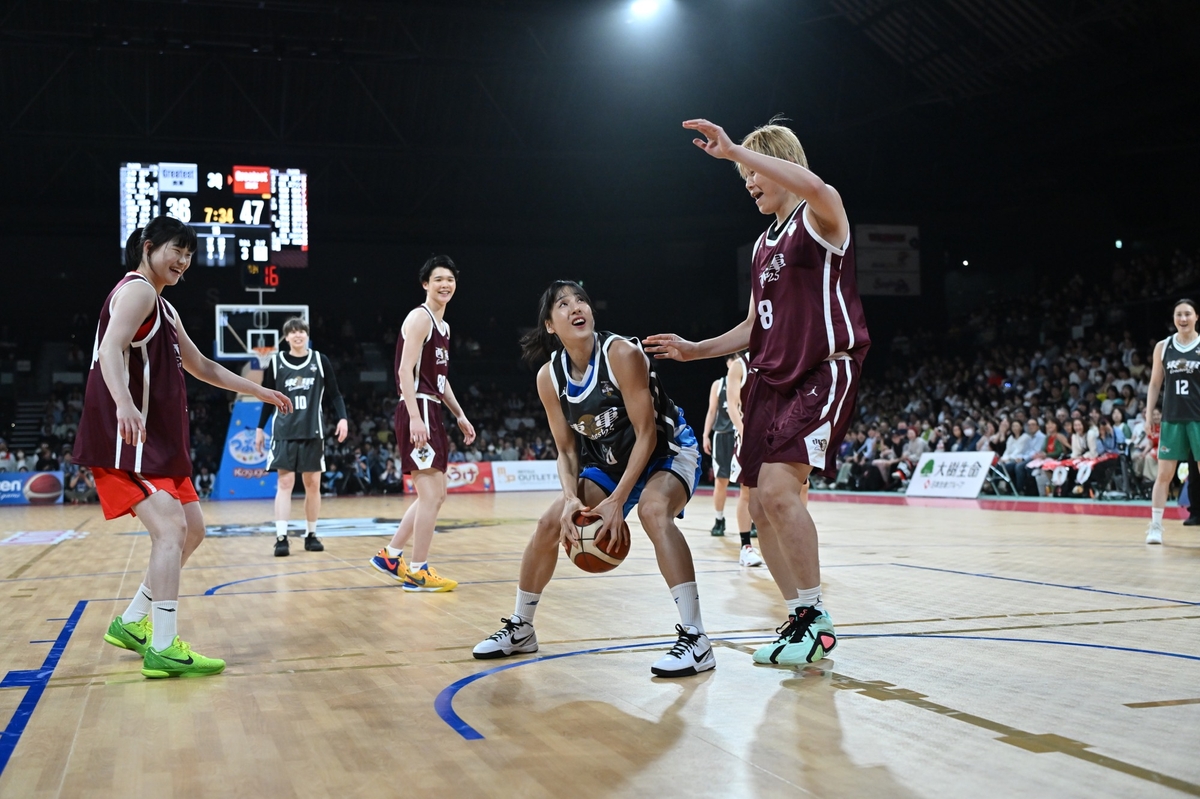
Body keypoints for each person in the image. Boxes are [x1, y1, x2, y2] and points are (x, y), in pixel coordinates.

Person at [645, 116, 870, 666]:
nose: (747, 183)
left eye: (753, 172)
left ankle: (817, 616)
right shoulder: (760, 246)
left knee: (776, 492)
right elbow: (754, 326)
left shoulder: (822, 218)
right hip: (768, 380)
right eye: (743, 175)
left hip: (820, 371)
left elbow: (815, 186)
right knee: (759, 508)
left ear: (779, 164)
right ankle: (799, 617)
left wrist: (734, 151)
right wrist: (697, 350)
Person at [75, 216, 291, 678]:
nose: (184, 261)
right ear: (149, 246)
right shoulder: (137, 291)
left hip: (158, 443)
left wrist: (260, 391)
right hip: (129, 440)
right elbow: (110, 350)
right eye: (177, 250)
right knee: (171, 530)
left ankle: (132, 623)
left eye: (190, 255)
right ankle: (165, 646)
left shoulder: (164, 309)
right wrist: (124, 405)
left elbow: (206, 367)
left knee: (192, 528)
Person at [473, 281, 712, 678]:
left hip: (667, 449)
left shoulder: (621, 353)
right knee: (550, 522)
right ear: (550, 325)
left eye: (580, 300)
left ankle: (696, 637)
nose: (575, 307)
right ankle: (522, 627)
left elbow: (648, 432)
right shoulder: (550, 378)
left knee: (654, 511)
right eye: (562, 304)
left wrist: (618, 499)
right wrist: (570, 498)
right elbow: (566, 451)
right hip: (612, 459)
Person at [369, 255, 476, 591]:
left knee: (436, 494)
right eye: (438, 279)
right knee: (430, 494)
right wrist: (415, 417)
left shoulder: (444, 327)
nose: (445, 284)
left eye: (451, 279)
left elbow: (441, 382)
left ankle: (391, 555)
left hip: (433, 408)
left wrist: (459, 414)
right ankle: (417, 570)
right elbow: (404, 370)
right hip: (418, 408)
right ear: (425, 284)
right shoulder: (420, 317)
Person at [255, 316, 349, 556]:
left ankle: (311, 534)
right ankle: (281, 537)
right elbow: (268, 399)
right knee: (285, 483)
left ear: (307, 335)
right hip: (284, 431)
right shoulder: (276, 362)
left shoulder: (320, 360)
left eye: (302, 331)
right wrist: (259, 429)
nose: (298, 335)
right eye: (293, 332)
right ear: (286, 337)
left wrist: (343, 418)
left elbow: (336, 394)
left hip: (312, 431)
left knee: (312, 484)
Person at [1145, 299, 1200, 544]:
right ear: (1174, 318)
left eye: (1188, 314)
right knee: (1164, 474)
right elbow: (1155, 383)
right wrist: (1149, 413)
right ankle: (1155, 527)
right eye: (1179, 314)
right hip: (1172, 419)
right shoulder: (1163, 346)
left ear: (1196, 317)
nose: (1183, 318)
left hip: (1198, 419)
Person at [701, 351, 762, 566]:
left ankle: (751, 524)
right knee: (722, 480)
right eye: (732, 359)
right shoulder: (719, 384)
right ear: (728, 362)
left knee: (749, 487)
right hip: (725, 436)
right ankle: (719, 519)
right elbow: (711, 411)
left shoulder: (751, 377)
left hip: (747, 435)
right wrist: (705, 434)